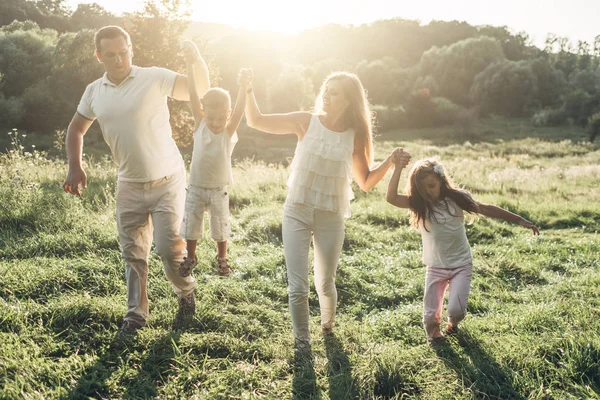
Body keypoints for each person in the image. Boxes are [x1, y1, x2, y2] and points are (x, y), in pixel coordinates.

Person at [239, 68, 406, 348]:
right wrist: (247, 89)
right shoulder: (305, 122)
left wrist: (390, 162)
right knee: (297, 286)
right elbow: (256, 120)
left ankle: (327, 328)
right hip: (297, 211)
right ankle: (302, 344)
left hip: (331, 216)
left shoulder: (356, 135)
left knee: (325, 282)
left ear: (349, 100)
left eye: (334, 92)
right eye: (325, 90)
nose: (326, 95)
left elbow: (364, 182)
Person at [63, 26, 209, 332]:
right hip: (128, 183)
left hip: (167, 179)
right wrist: (74, 166)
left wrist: (196, 61)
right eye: (111, 55)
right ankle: (136, 316)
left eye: (124, 52)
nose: (119, 60)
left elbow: (201, 90)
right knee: (133, 253)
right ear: (99, 56)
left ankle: (186, 292)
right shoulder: (94, 92)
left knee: (170, 250)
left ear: (131, 49)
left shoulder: (153, 77)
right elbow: (76, 128)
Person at [386, 157, 540, 344]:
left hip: (461, 264)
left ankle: (453, 324)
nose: (428, 192)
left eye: (432, 186)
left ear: (441, 181)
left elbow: (486, 208)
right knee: (429, 316)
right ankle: (434, 336)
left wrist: (518, 220)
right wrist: (398, 169)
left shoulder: (457, 198)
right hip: (435, 267)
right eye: (423, 188)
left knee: (457, 311)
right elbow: (391, 198)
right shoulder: (420, 204)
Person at [178, 41, 247, 277]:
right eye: (211, 118)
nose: (216, 124)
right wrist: (189, 64)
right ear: (203, 113)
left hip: (218, 188)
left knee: (220, 224)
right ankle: (191, 256)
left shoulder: (228, 131)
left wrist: (244, 87)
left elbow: (238, 110)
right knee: (191, 223)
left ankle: (221, 258)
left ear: (226, 115)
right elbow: (193, 93)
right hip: (196, 186)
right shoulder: (200, 126)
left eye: (221, 118)